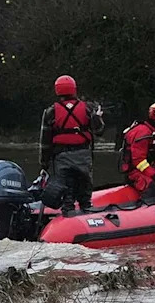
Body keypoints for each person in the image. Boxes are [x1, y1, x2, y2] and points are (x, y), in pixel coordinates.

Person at [39, 75, 105, 214]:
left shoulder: (50, 112)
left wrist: (44, 164)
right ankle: (86, 211)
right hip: (83, 156)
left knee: (67, 194)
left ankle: (68, 214)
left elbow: (45, 142)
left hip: (62, 158)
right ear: (74, 89)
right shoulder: (88, 108)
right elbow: (99, 131)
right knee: (85, 193)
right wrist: (97, 117)